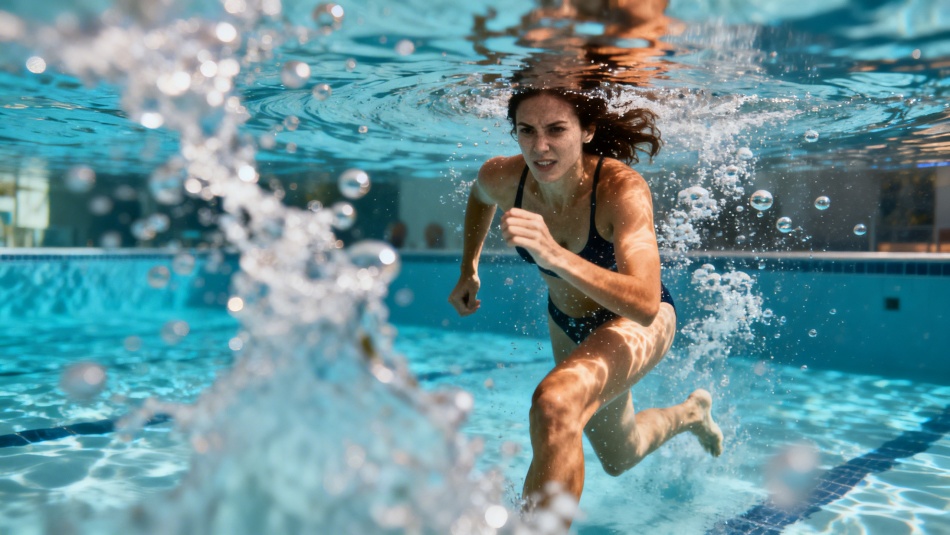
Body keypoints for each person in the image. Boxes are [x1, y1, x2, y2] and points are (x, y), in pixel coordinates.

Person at [448, 87, 723, 525]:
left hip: (636, 322)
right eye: (527, 131)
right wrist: (469, 268)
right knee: (620, 454)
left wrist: (552, 253)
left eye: (557, 129)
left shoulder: (620, 189)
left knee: (555, 404)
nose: (541, 146)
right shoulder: (504, 177)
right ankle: (691, 414)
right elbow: (479, 196)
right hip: (567, 322)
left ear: (587, 131)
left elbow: (646, 303)